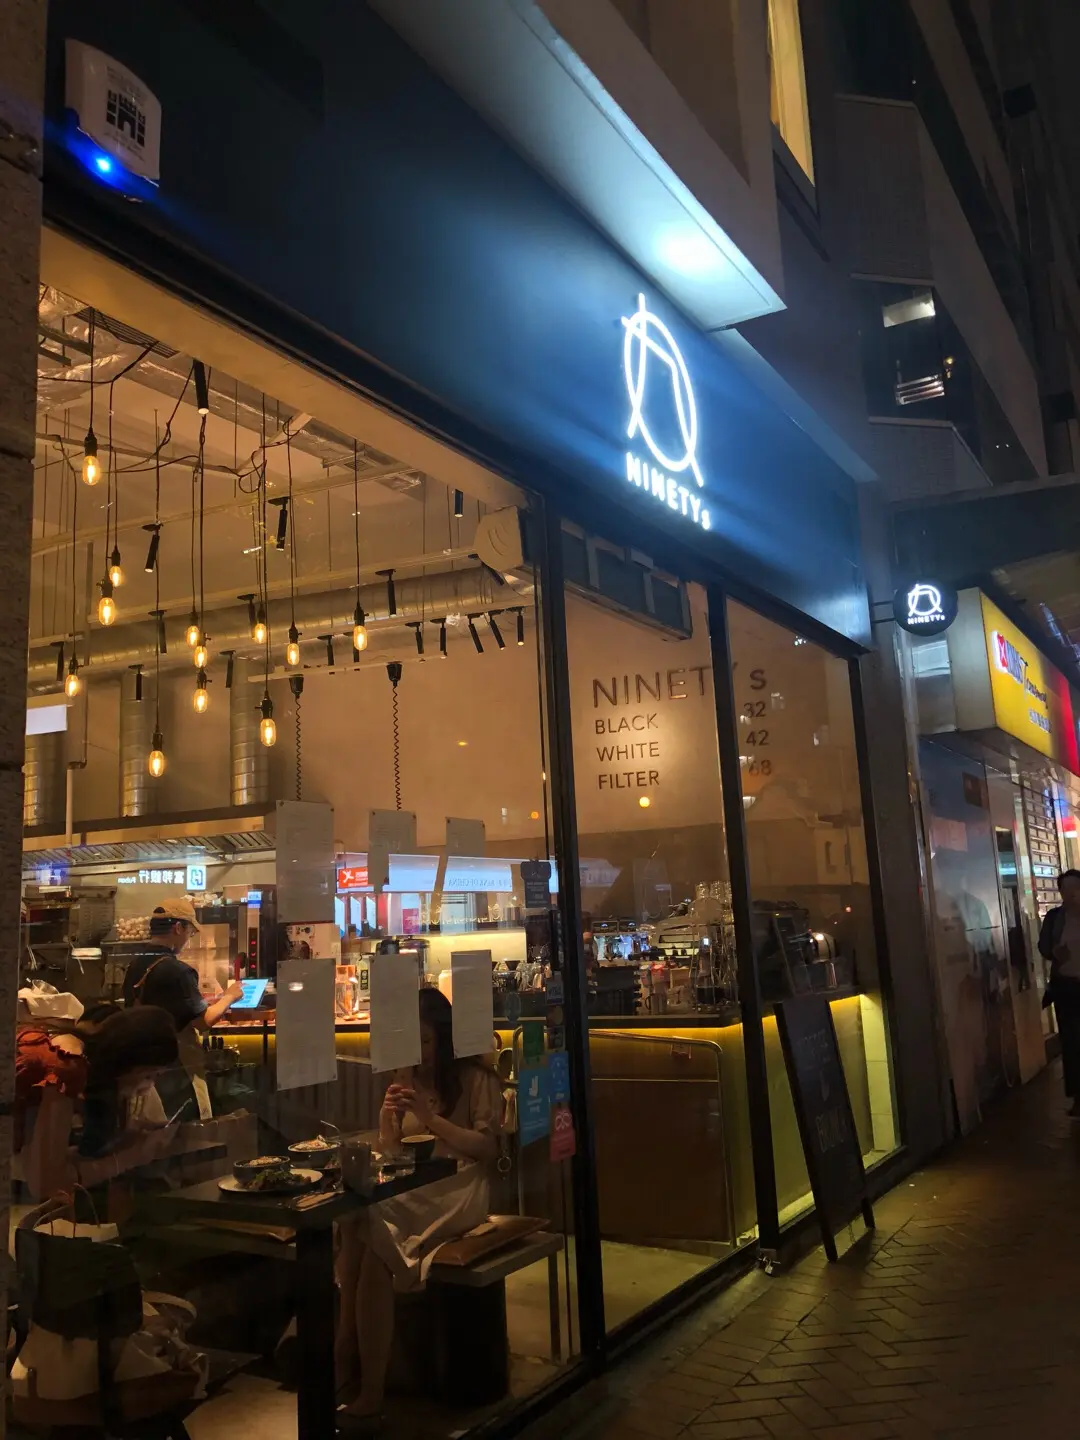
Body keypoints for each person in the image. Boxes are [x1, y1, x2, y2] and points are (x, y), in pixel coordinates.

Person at [335, 988, 503, 1432]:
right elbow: (393, 1152)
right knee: (358, 1224)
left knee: (365, 1230)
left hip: (461, 1187)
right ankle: (355, 1363)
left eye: (425, 1041)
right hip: (415, 1187)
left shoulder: (477, 1078)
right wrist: (388, 1120)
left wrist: (431, 1119)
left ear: (444, 1039)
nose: (419, 1051)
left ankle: (350, 1364)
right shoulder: (405, 1080)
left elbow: (486, 1148)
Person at [15, 1005, 181, 1199]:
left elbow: (54, 1159)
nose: (147, 1087)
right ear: (129, 1062)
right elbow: (47, 1185)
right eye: (149, 1075)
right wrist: (134, 1155)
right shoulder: (67, 1064)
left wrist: (129, 1139)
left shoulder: (88, 1074)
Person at [122, 897, 244, 1120]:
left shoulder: (134, 965)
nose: (189, 939)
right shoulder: (179, 971)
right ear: (178, 928)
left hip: (143, 1065)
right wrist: (229, 997)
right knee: (185, 1126)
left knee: (151, 1124)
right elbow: (203, 1021)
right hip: (177, 1068)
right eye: (190, 932)